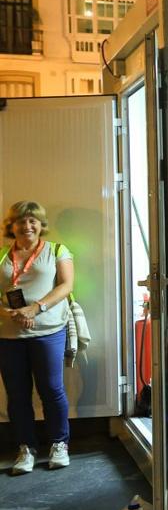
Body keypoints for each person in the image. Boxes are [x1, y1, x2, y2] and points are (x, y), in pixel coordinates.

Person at [1, 201, 74, 475]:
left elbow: (66, 285)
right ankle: (25, 448)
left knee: (51, 390)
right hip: (9, 334)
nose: (27, 225)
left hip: (48, 331)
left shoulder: (57, 250)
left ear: (41, 224)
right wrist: (7, 312)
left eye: (33, 220)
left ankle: (59, 444)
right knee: (17, 394)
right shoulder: (2, 255)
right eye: (21, 220)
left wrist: (36, 307)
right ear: (12, 225)